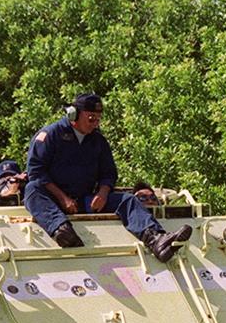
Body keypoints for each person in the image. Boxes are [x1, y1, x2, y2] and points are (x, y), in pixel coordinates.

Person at [24, 92, 189, 262]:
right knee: (32, 189)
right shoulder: (50, 135)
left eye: (98, 118)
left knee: (127, 200)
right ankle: (61, 230)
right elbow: (36, 172)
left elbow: (109, 173)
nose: (95, 123)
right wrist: (63, 198)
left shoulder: (98, 141)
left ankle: (156, 240)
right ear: (74, 114)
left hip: (84, 200)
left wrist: (102, 193)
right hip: (53, 201)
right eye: (91, 118)